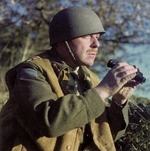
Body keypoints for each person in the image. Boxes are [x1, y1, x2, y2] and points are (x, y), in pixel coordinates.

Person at [0, 6, 139, 151]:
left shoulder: (90, 78)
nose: (96, 44)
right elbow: (49, 123)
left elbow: (104, 136)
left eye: (97, 37)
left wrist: (118, 101)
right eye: (86, 36)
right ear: (62, 40)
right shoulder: (31, 71)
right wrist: (103, 90)